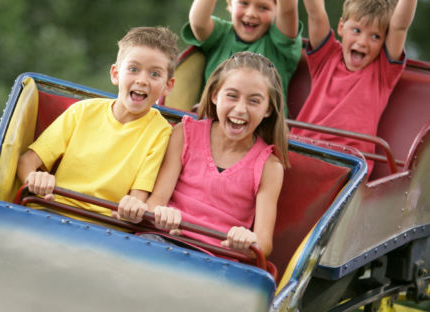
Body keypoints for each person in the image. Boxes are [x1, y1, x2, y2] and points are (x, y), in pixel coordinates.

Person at [117, 52, 289, 258]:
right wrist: (161, 214)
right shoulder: (184, 133)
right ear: (215, 95)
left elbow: (263, 243)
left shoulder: (269, 166)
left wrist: (246, 240)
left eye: (254, 101)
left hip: (217, 257)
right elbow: (156, 202)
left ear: (268, 109)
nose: (240, 109)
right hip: (164, 240)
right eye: (232, 96)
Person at [17, 26, 178, 217]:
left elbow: (137, 197)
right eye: (133, 69)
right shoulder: (83, 111)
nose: (142, 80)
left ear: (168, 86)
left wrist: (131, 210)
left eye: (155, 74)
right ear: (116, 74)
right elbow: (26, 161)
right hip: (52, 209)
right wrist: (35, 178)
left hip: (104, 226)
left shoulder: (160, 132)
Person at [290, 0, 417, 174]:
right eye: (356, 30)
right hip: (302, 151)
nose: (363, 42)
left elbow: (400, 26)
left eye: (375, 36)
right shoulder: (326, 56)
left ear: (384, 41)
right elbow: (316, 13)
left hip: (348, 164)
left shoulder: (382, 72)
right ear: (342, 27)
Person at [181, 0, 302, 109]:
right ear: (230, 5)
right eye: (244, 3)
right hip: (212, 126)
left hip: (263, 131)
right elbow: (198, 23)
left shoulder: (280, 44)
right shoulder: (220, 34)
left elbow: (288, 10)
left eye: (263, 8)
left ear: (277, 11)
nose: (251, 13)